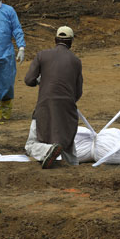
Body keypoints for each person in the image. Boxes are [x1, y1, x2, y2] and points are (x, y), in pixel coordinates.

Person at [24, 26, 83, 169]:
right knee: (67, 141)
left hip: (45, 104)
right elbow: (78, 92)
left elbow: (28, 80)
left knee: (31, 144)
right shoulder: (76, 61)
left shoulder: (42, 55)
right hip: (68, 107)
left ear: (55, 39)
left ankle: (46, 150)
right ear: (71, 42)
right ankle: (74, 167)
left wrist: (39, 80)